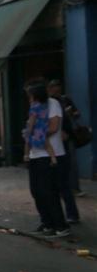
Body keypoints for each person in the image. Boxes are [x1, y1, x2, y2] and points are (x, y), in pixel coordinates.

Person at [23, 80, 70, 238]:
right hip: (35, 154)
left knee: (49, 191)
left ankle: (60, 225)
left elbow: (54, 126)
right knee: (36, 191)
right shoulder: (34, 107)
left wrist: (36, 135)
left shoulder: (53, 104)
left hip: (51, 154)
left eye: (30, 95)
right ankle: (47, 222)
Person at [47, 79, 81, 223]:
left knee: (60, 184)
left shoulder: (55, 103)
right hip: (49, 151)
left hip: (58, 149)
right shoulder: (44, 105)